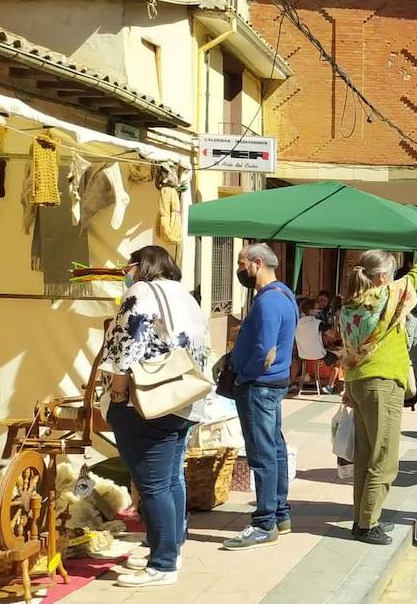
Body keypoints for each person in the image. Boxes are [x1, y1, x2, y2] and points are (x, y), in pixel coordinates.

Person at [101, 246, 209, 587]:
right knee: (171, 479)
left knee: (153, 484)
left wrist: (117, 394)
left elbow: (123, 347)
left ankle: (162, 565)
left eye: (128, 266)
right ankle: (170, 551)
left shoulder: (141, 291)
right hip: (184, 398)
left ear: (141, 265)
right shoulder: (186, 296)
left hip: (148, 401)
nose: (126, 273)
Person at [335, 210, 417, 545]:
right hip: (382, 382)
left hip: (359, 380)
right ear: (382, 277)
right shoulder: (385, 296)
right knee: (384, 458)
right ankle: (368, 524)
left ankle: (362, 518)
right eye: (391, 274)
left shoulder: (349, 306)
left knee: (365, 455)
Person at [224, 244, 298, 552]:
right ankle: (280, 513)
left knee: (262, 453)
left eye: (242, 264)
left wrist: (242, 374)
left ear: (257, 262)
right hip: (272, 383)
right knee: (275, 447)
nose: (240, 270)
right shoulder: (284, 295)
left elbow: (264, 351)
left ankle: (264, 523)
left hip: (259, 385)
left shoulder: (268, 301)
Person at [295, 298, 341, 395]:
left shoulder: (297, 323)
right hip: (317, 354)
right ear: (310, 311)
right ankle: (330, 386)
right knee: (338, 360)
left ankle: (293, 381)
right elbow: (333, 335)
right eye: (316, 308)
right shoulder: (318, 323)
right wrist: (336, 321)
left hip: (302, 353)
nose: (319, 310)